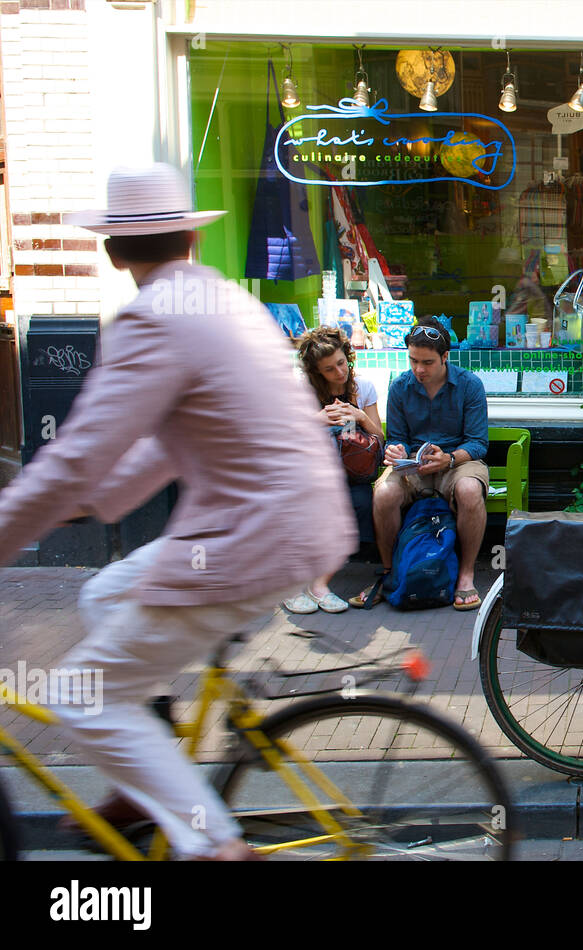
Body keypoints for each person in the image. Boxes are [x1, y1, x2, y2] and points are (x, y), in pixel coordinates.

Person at [0, 163, 356, 859]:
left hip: (247, 541)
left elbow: (77, 456)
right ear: (190, 241)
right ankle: (147, 772)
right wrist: (95, 502)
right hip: (293, 524)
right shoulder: (218, 301)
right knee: (104, 593)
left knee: (79, 694)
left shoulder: (149, 320)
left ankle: (213, 843)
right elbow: (161, 448)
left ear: (113, 250)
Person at [350, 317, 489, 611]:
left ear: (445, 357)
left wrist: (449, 459)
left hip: (456, 461)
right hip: (413, 464)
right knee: (384, 493)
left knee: (469, 491)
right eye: (413, 360)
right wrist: (394, 450)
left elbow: (478, 442)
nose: (419, 370)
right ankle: (390, 573)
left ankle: (465, 575)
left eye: (427, 362)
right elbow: (395, 438)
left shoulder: (469, 384)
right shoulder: (401, 386)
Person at [283, 326, 383, 614]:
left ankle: (320, 585)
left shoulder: (363, 388)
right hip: (311, 472)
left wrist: (361, 416)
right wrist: (317, 419)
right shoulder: (304, 392)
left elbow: (379, 438)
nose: (339, 373)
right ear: (317, 373)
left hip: (352, 473)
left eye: (341, 363)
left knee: (357, 504)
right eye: (329, 369)